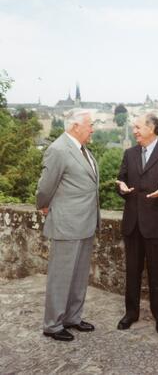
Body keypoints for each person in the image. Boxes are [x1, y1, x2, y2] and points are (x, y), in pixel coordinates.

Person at [36, 108, 100, 342]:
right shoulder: (59, 149)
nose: (92, 129)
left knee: (79, 276)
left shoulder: (82, 150)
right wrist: (43, 205)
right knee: (61, 277)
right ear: (75, 126)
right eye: (90, 125)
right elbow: (45, 187)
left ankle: (72, 317)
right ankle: (52, 325)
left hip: (85, 223)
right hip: (66, 223)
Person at [116, 113, 158, 334]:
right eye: (134, 127)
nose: (134, 131)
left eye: (137, 127)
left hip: (157, 226)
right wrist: (121, 188)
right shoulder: (129, 153)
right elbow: (121, 179)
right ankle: (131, 313)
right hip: (133, 224)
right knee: (132, 272)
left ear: (152, 128)